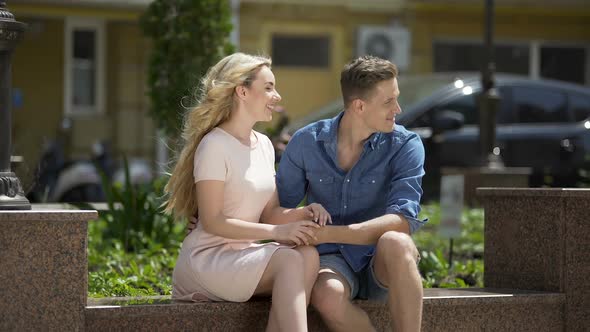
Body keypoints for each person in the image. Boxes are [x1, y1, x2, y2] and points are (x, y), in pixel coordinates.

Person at [164, 52, 331, 332]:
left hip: (243, 256)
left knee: (308, 254)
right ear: (242, 91)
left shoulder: (264, 144)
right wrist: (277, 234)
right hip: (207, 260)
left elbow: (269, 213)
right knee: (289, 260)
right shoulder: (214, 145)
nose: (276, 96)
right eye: (268, 87)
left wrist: (304, 212)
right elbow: (213, 221)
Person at [275, 55, 426, 331]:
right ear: (359, 106)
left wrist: (331, 232)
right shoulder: (307, 142)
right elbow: (277, 208)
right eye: (388, 102)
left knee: (398, 242)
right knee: (327, 295)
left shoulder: (406, 144)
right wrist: (208, 219)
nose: (398, 108)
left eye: (396, 98)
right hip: (331, 260)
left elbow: (403, 219)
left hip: (382, 258)